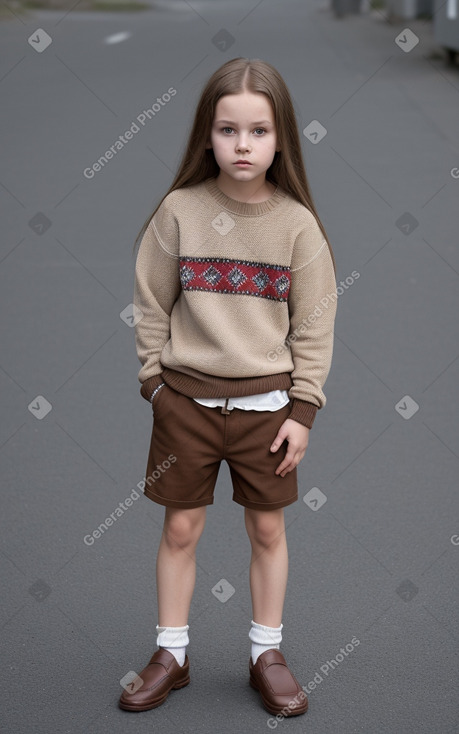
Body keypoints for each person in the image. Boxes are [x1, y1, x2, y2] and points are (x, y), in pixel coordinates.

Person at [118, 57, 337, 717]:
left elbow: (315, 325)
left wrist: (302, 410)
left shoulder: (297, 226)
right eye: (227, 130)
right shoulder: (178, 212)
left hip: (267, 413)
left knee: (266, 531)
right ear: (205, 136)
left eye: (259, 131)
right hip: (182, 406)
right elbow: (150, 302)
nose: (242, 145)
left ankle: (265, 653)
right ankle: (171, 652)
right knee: (180, 527)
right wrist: (154, 384)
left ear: (281, 140)